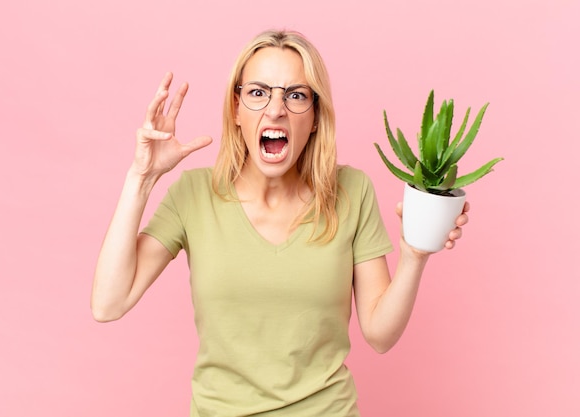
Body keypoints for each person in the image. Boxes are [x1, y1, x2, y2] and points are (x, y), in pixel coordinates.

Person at [91, 30, 468, 417]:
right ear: (236, 110)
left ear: (317, 117)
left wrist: (414, 255)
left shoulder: (352, 191)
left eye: (296, 95)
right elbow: (108, 303)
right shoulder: (193, 193)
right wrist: (142, 177)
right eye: (257, 93)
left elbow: (380, 335)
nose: (275, 110)